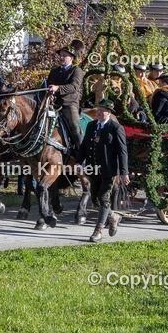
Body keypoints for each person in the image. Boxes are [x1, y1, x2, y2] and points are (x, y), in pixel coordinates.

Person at [80, 99, 129, 242]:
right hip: (93, 168)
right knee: (95, 198)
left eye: (102, 110)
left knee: (103, 198)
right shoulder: (91, 125)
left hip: (109, 170)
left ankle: (98, 230)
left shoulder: (115, 128)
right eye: (98, 110)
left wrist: (123, 172)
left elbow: (122, 151)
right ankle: (113, 216)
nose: (99, 112)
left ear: (109, 112)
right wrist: (78, 161)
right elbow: (84, 145)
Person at [46, 47, 84, 150]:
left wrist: (57, 88)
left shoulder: (76, 70)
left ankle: (82, 155)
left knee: (75, 127)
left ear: (71, 58)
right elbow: (48, 85)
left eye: (64, 55)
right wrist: (49, 94)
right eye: (60, 55)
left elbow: (74, 87)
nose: (61, 57)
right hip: (52, 104)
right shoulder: (54, 71)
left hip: (69, 104)